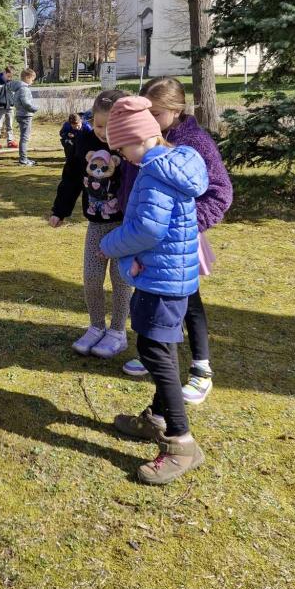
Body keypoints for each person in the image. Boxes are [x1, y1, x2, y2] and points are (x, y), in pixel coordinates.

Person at [99, 96, 208, 485]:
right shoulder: (176, 162)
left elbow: (147, 228)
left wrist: (110, 245)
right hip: (171, 275)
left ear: (139, 138)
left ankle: (181, 443)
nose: (122, 156)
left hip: (161, 279)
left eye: (122, 148)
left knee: (155, 353)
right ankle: (157, 418)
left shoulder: (153, 172)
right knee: (159, 348)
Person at [118, 77, 233, 403]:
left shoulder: (195, 142)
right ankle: (154, 352)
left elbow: (220, 192)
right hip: (146, 239)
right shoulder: (144, 136)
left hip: (179, 244)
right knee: (150, 295)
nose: (150, 120)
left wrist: (184, 227)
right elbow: (133, 184)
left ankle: (201, 369)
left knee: (189, 302)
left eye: (155, 114)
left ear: (176, 109)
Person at [49, 89, 131, 358]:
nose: (104, 133)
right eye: (98, 125)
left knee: (121, 280)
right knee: (92, 278)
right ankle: (96, 326)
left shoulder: (130, 145)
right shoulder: (83, 141)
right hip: (96, 224)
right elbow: (71, 177)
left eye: (111, 127)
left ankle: (117, 332)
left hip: (125, 227)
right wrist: (60, 210)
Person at [9, 67, 38, 166]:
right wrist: (34, 108)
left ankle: (24, 158)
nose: (32, 82)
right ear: (27, 77)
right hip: (25, 115)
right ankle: (23, 160)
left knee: (24, 137)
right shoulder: (24, 89)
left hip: (21, 114)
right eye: (32, 79)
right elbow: (26, 103)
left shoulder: (19, 88)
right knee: (25, 138)